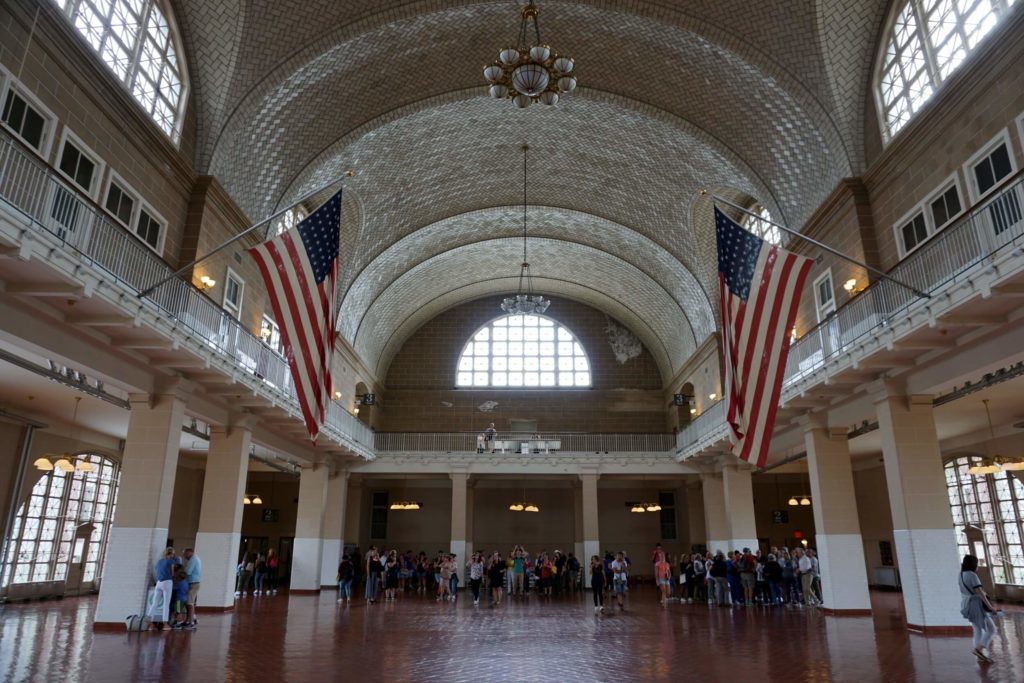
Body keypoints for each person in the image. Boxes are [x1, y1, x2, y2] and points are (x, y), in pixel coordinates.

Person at [960, 554, 998, 663]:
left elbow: (964, 591)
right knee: (992, 629)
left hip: (967, 604)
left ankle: (979, 656)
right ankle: (978, 650)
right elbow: (980, 593)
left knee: (977, 630)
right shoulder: (972, 575)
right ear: (973, 564)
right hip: (976, 605)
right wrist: (990, 607)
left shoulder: (961, 574)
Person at [149, 547, 176, 631]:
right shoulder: (171, 561)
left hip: (158, 583)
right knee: (166, 604)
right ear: (171, 554)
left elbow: (157, 570)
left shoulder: (159, 561)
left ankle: (149, 623)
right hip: (167, 582)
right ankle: (165, 624)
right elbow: (172, 573)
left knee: (154, 603)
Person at [183, 547, 201, 628]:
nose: (184, 556)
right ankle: (188, 620)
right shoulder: (195, 558)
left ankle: (190, 622)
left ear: (189, 552)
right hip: (193, 583)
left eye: (185, 554)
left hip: (193, 583)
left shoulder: (193, 559)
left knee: (190, 603)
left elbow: (188, 571)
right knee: (189, 602)